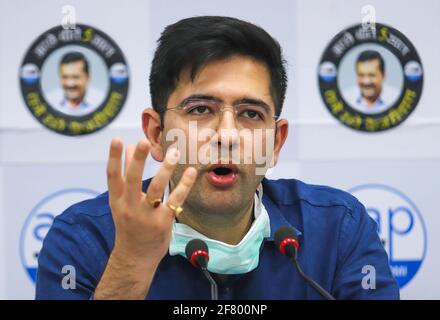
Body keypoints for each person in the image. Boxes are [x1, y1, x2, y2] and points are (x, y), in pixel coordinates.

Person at [36, 16, 399, 300]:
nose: (226, 134)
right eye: (200, 109)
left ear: (276, 143)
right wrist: (129, 264)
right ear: (156, 134)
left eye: (251, 114)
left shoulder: (339, 229)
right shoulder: (83, 236)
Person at [345, 50, 399, 114]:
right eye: (361, 75)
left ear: (383, 76)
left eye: (372, 75)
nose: (366, 81)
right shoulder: (345, 99)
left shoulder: (397, 99)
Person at [51, 52, 94, 116]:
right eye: (65, 77)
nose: (70, 84)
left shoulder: (102, 102)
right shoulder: (49, 101)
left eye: (75, 77)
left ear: (88, 78)